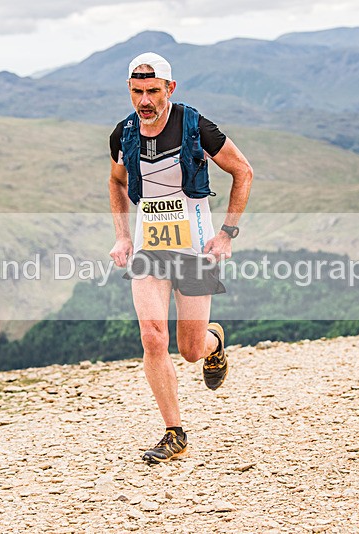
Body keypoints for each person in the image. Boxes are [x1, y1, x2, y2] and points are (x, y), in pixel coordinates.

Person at [107, 52, 254, 464]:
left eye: (153, 91)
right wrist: (122, 236)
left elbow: (243, 171)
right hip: (149, 248)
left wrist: (227, 234)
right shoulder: (124, 134)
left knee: (189, 349)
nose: (145, 100)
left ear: (170, 89)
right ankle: (174, 432)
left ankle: (214, 342)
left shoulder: (196, 127)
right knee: (153, 336)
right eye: (137, 92)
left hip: (195, 246)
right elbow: (116, 183)